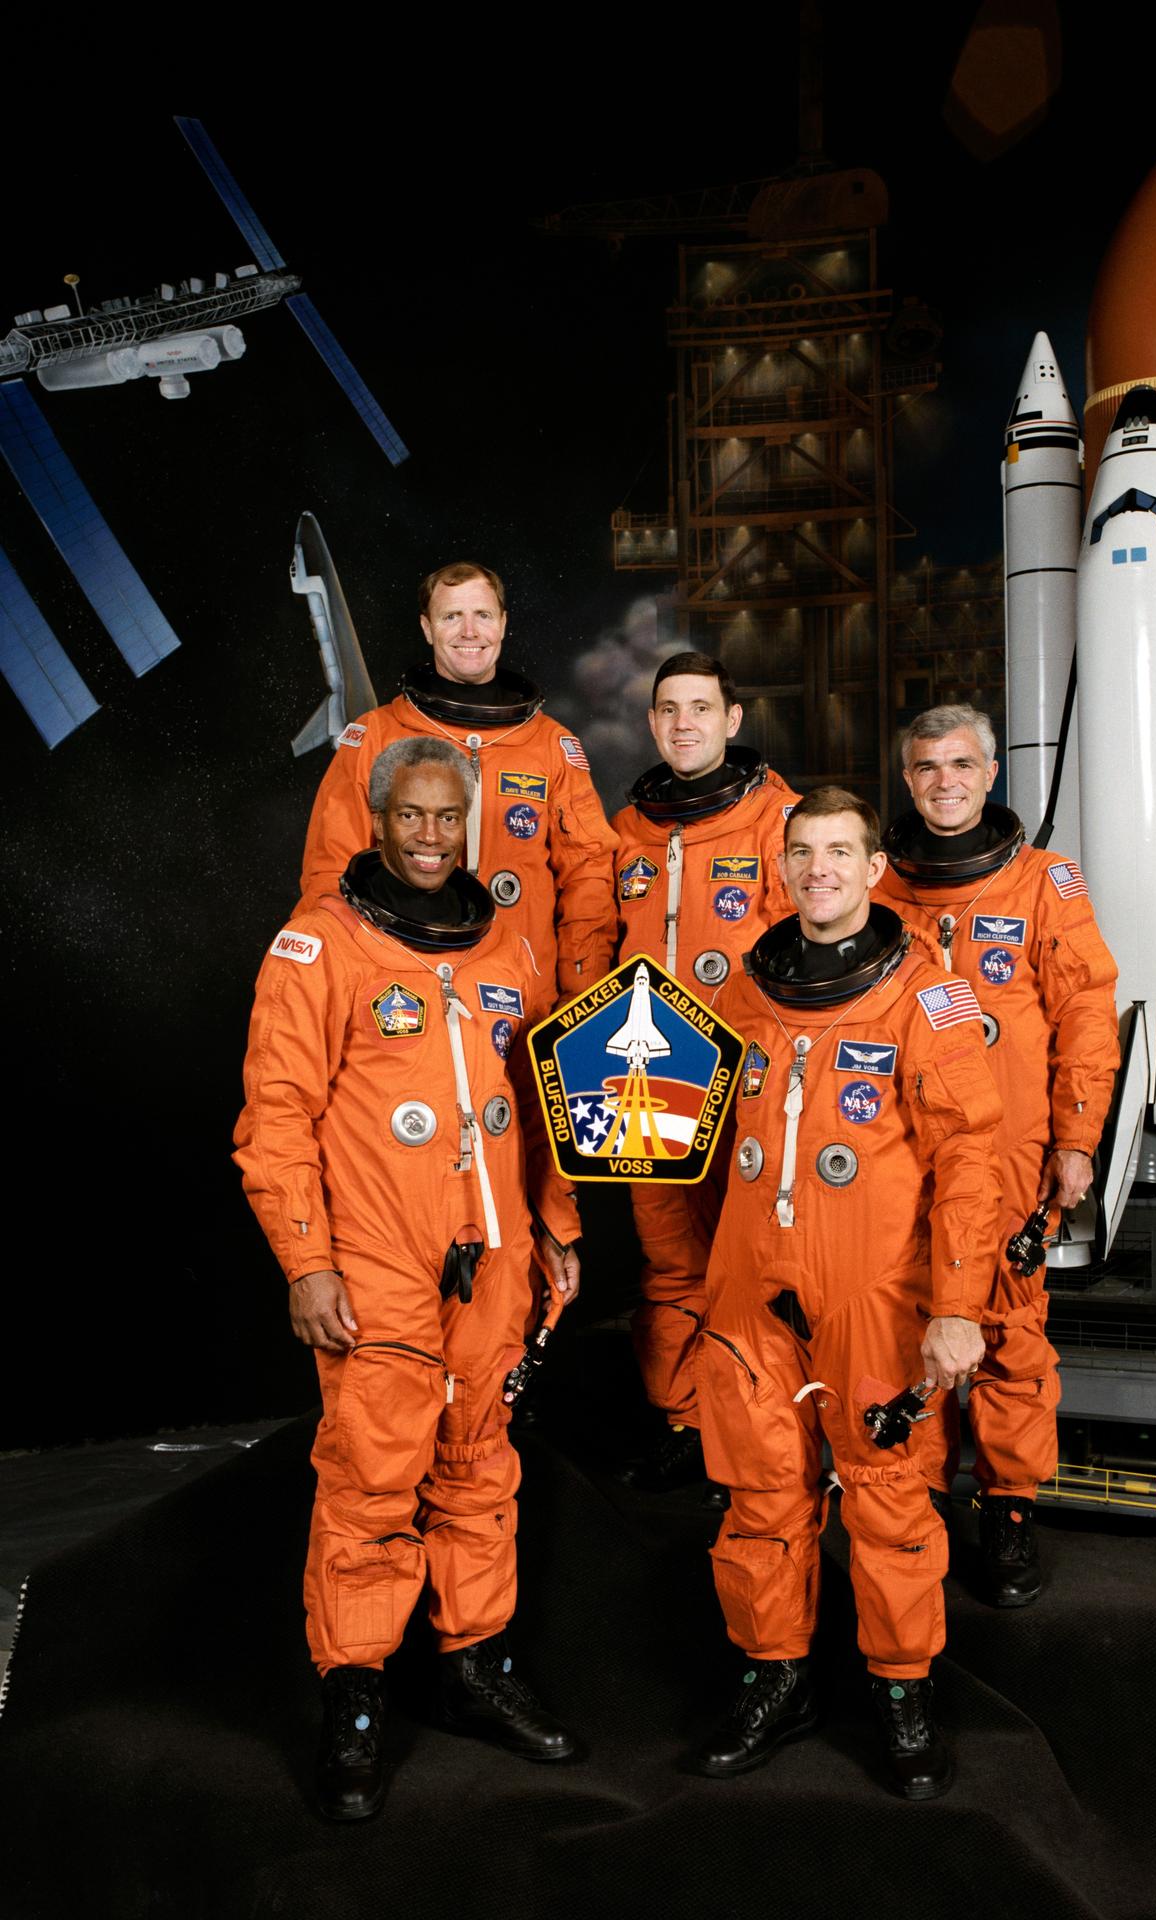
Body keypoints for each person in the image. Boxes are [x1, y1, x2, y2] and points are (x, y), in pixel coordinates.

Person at [235, 736, 583, 1822]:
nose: (431, 838)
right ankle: (356, 1694)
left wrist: (558, 1228)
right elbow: (274, 1122)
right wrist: (306, 1262)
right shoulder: (318, 945)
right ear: (379, 823)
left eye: (448, 819)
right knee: (372, 1480)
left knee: (480, 1469)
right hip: (378, 1263)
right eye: (413, 818)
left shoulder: (507, 951)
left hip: (496, 1262)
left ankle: (474, 1663)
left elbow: (537, 1104)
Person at [695, 787, 1004, 1800]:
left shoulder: (928, 994)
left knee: (887, 1491)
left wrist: (958, 1304)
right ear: (782, 869)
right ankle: (776, 1675)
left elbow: (970, 1157)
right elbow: (693, 1132)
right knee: (756, 1491)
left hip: (873, 1288)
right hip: (751, 1283)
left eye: (840, 852)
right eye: (803, 853)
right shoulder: (747, 988)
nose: (818, 869)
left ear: (877, 870)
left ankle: (903, 1692)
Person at [875, 704, 1119, 1608]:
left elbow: (1087, 1015)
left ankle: (1010, 1505)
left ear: (990, 774)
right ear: (908, 779)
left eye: (962, 764)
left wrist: (1077, 1136)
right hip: (903, 1149)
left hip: (1012, 1153)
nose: (946, 781)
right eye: (928, 766)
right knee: (913, 1320)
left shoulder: (1043, 883)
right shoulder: (877, 893)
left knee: (1010, 1330)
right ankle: (924, 1491)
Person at [610, 651, 799, 1491]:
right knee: (672, 1263)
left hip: (750, 1084)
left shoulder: (780, 823)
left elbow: (811, 960)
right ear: (653, 724)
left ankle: (766, 1429)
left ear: (733, 719)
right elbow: (591, 949)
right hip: (649, 1078)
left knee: (757, 1263)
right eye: (668, 709)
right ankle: (685, 1419)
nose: (684, 723)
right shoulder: (624, 833)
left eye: (701, 707)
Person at [300, 560, 618, 1003]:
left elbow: (589, 878)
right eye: (452, 617)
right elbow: (330, 874)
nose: (470, 632)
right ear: (428, 628)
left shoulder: (550, 745)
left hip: (526, 998)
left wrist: (581, 998)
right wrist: (344, 990)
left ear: (503, 624)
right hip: (403, 996)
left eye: (483, 615)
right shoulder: (376, 737)